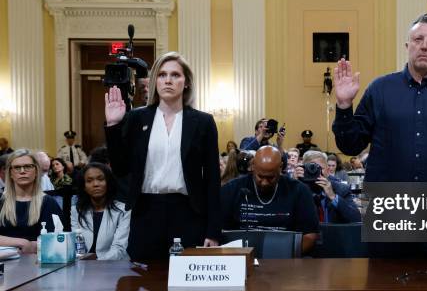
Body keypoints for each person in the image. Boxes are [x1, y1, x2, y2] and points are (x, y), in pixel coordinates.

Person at [332, 12, 427, 183]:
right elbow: (350, 146)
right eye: (418, 39)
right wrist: (344, 106)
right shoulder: (379, 89)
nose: (424, 46)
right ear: (407, 45)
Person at [105, 51, 221, 260]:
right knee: (146, 282)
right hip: (146, 212)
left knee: (187, 286)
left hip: (189, 213)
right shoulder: (136, 118)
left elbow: (212, 180)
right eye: (162, 75)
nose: (168, 80)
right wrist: (113, 126)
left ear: (186, 82)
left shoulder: (203, 122)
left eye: (175, 75)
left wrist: (213, 231)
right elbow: (121, 169)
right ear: (154, 81)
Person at [221, 146, 319, 254]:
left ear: (281, 167)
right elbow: (220, 231)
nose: (264, 182)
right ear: (252, 166)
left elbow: (310, 235)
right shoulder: (232, 189)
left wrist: (286, 255)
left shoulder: (299, 191)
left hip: (284, 260)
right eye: (260, 176)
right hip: (241, 257)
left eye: (270, 177)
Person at [0, 149, 62, 252]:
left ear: (37, 171)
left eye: (28, 166)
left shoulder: (48, 203)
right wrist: (24, 243)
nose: (22, 171)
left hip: (39, 263)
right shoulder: (1, 201)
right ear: (10, 173)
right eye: (17, 167)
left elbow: (56, 240)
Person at [71, 163, 131, 260]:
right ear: (84, 187)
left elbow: (119, 248)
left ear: (108, 182)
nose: (96, 184)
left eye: (100, 179)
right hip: (84, 266)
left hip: (115, 266)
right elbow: (76, 243)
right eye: (89, 181)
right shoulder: (77, 210)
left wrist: (96, 263)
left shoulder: (123, 210)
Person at [295, 150, 361, 223]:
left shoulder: (341, 189)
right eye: (311, 168)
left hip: (333, 233)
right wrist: (294, 184)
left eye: (320, 168)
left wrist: (333, 196)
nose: (316, 172)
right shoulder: (298, 187)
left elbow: (356, 219)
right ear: (303, 169)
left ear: (328, 170)